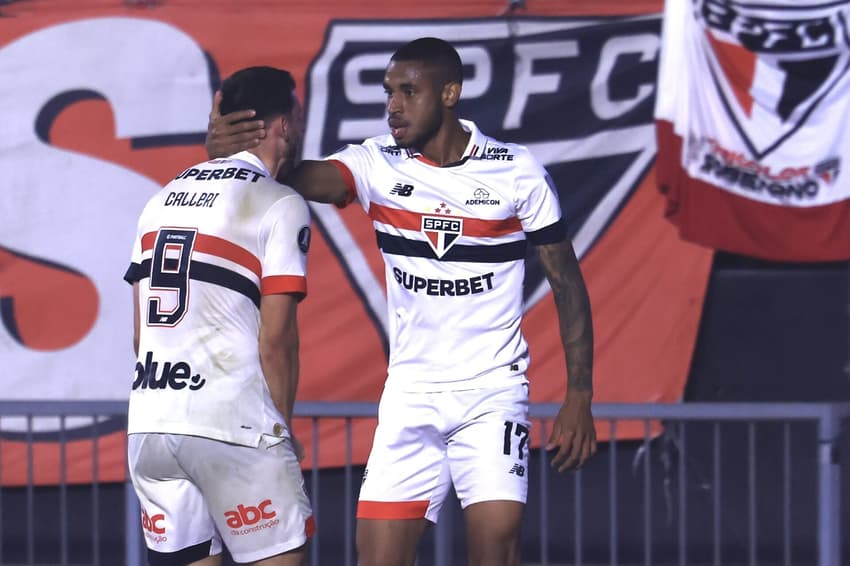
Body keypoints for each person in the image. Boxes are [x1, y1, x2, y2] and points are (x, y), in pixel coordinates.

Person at [206, 38, 596, 566]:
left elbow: (567, 285)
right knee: (377, 557)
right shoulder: (376, 164)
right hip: (409, 397)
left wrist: (579, 395)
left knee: (494, 547)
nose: (393, 104)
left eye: (409, 92)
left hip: (492, 392)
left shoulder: (517, 171)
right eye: (389, 91)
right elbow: (289, 176)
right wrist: (234, 157)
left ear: (451, 93)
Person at [124, 66, 314, 566]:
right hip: (234, 427)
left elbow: (141, 333)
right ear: (284, 125)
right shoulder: (277, 203)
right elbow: (277, 340)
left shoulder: (157, 201)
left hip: (151, 424)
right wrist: (283, 430)